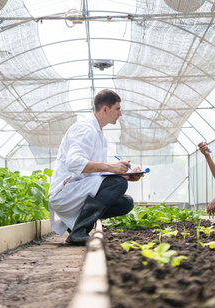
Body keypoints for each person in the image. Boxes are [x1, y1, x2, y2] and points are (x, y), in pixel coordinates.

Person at [48, 89, 144, 245]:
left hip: (78, 190)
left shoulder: (99, 134)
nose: (120, 114)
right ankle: (79, 231)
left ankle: (77, 227)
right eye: (117, 109)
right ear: (105, 109)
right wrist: (110, 167)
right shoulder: (86, 129)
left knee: (126, 203)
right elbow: (73, 162)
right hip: (65, 192)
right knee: (118, 184)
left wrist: (126, 175)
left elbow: (93, 176)